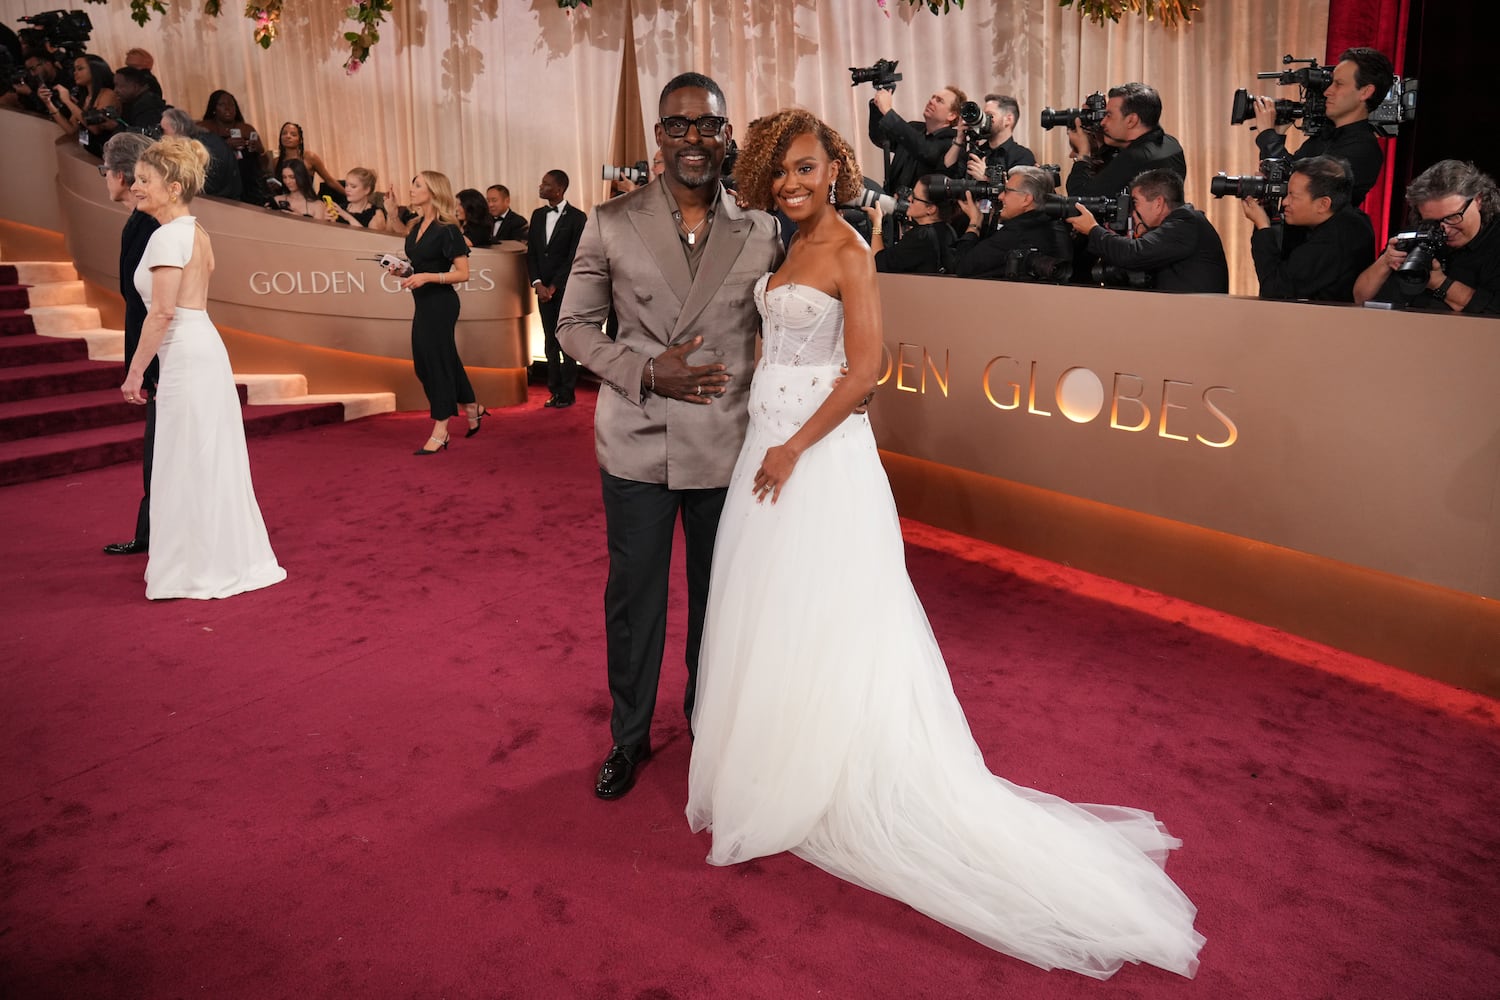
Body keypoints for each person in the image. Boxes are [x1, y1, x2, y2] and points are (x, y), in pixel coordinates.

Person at [685, 106, 1204, 983]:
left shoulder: (849, 249)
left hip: (812, 456)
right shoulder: (784, 246)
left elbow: (865, 370)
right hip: (764, 446)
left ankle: (823, 763)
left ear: (835, 169)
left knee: (831, 613)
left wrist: (792, 444)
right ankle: (769, 752)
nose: (793, 182)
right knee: (770, 609)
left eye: (807, 168)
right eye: (780, 170)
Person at [556, 72, 784, 800]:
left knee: (721, 602)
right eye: (679, 125)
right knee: (636, 601)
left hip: (728, 444)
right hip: (638, 441)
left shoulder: (763, 228)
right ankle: (629, 736)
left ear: (727, 135)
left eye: (707, 126)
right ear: (659, 136)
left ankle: (709, 728)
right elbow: (571, 328)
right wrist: (652, 373)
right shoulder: (611, 220)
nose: (694, 138)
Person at [121, 136, 286, 600]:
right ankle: (212, 557)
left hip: (186, 355)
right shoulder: (196, 231)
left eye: (145, 180)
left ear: (173, 187)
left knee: (187, 460)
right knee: (201, 459)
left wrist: (135, 373)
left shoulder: (168, 235)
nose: (136, 187)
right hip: (198, 350)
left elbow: (162, 313)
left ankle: (198, 565)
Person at [384, 170, 487, 454]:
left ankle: (441, 430)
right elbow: (419, 263)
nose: (412, 189)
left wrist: (428, 277)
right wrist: (403, 271)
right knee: (439, 361)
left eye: (418, 185)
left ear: (433, 190)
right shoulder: (417, 225)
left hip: (441, 304)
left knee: (433, 363)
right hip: (423, 301)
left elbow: (463, 274)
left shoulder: (448, 229)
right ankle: (471, 406)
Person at [100, 132, 160, 558]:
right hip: (155, 351)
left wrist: (143, 366)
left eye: (105, 171)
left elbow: (152, 304)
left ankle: (154, 535)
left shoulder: (150, 224)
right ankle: (150, 533)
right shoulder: (139, 222)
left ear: (121, 174)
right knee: (158, 451)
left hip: (161, 354)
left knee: (162, 452)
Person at [1355, 159, 1500, 314]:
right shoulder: (1417, 234)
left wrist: (1440, 283)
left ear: (1478, 200)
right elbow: (1360, 298)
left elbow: (1494, 312)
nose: (1445, 229)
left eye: (1452, 217)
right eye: (1434, 221)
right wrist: (1385, 262)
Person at [1252, 47, 1393, 206]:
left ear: (1365, 92)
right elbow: (1282, 177)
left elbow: (1301, 187)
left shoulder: (1364, 149)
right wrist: (1277, 133)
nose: (1327, 91)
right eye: (1331, 82)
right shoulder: (1324, 136)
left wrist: (1267, 136)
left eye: (1338, 84)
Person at [1065, 168, 1229, 293]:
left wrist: (1093, 229)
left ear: (1158, 203)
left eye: (1135, 203)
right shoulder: (1183, 223)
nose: (1132, 213)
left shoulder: (1186, 222)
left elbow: (1134, 253)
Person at [1244, 154, 1374, 302]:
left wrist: (1262, 226)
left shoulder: (1335, 239)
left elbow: (1274, 287)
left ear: (1323, 204)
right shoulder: (1351, 219)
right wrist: (1267, 205)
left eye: (1293, 196)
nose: (1285, 202)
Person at [527, 169, 587, 408]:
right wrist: (538, 283)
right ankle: (554, 391)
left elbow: (575, 256)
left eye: (545, 184)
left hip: (566, 289)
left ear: (559, 189)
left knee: (567, 341)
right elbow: (531, 252)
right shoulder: (537, 215)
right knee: (549, 341)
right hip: (542, 290)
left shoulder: (577, 217)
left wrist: (554, 286)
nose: (540, 187)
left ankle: (569, 391)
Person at [954, 165, 1074, 281]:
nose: (1000, 196)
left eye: (1007, 191)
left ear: (1026, 199)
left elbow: (962, 267)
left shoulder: (1016, 232)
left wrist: (974, 223)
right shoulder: (1056, 224)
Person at [1066, 83, 1186, 198]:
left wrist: (1083, 153)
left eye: (1109, 115)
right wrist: (1102, 142)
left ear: (1131, 120)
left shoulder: (1134, 158)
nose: (1103, 122)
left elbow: (1081, 198)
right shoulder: (1171, 143)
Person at [867, 84, 966, 196]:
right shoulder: (914, 128)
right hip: (892, 200)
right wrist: (877, 105)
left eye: (939, 101)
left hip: (920, 208)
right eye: (933, 97)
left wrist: (888, 111)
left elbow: (924, 149)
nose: (931, 101)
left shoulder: (952, 143)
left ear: (952, 115)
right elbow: (880, 137)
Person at [866, 176, 958, 274]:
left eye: (914, 198)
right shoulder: (948, 230)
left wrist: (877, 223)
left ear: (931, 209)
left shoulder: (921, 237)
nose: (909, 199)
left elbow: (878, 262)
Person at [943, 93, 1037, 182]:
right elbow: (948, 171)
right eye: (983, 115)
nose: (983, 120)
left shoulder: (1022, 156)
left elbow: (1019, 193)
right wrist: (959, 138)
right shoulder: (976, 152)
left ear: (1008, 119)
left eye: (989, 115)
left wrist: (987, 177)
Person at [198, 90, 268, 205]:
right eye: (222, 105)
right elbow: (198, 157)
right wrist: (224, 146)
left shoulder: (247, 129)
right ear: (214, 108)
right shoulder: (203, 128)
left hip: (248, 183)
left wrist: (259, 150)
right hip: (220, 184)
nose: (228, 108)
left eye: (231, 104)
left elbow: (263, 163)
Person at [38, 54, 115, 156]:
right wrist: (48, 103)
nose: (75, 73)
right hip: (91, 152)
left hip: (108, 152)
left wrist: (67, 101)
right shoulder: (84, 97)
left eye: (80, 69)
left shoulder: (107, 94)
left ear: (95, 70)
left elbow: (95, 129)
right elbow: (71, 129)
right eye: (74, 69)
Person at [160, 108, 241, 200]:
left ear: (177, 128)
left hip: (221, 201)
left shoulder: (200, 147)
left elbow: (204, 186)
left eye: (163, 130)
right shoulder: (204, 138)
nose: (162, 136)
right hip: (222, 198)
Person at [266, 122, 341, 195]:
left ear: (300, 140)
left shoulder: (310, 157)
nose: (288, 136)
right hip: (285, 202)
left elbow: (329, 181)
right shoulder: (276, 161)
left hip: (308, 202)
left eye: (293, 134)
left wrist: (348, 196)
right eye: (284, 133)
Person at [102, 67, 165, 135]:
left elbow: (143, 138)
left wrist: (116, 127)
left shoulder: (148, 105)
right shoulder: (135, 102)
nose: (115, 91)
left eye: (119, 86)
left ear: (135, 86)